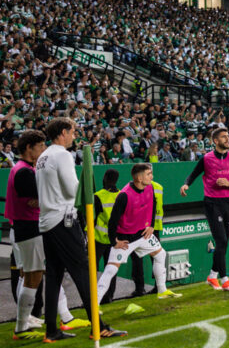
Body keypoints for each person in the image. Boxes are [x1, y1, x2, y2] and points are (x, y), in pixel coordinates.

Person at [35, 117, 125, 342]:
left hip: (47, 220)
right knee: (83, 272)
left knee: (54, 275)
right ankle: (99, 326)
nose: (75, 136)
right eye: (73, 131)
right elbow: (73, 190)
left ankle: (51, 330)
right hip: (63, 220)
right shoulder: (62, 155)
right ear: (63, 132)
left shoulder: (42, 157)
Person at [7, 130, 85, 339]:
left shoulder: (24, 169)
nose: (43, 149)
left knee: (39, 274)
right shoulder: (23, 171)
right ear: (28, 148)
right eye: (40, 146)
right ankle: (23, 325)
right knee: (36, 275)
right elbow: (37, 196)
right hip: (29, 228)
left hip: (27, 228)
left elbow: (37, 197)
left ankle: (53, 318)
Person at [95, 164, 181, 300]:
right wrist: (114, 241)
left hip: (143, 235)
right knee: (111, 269)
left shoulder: (150, 188)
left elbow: (153, 205)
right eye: (149, 174)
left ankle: (162, 290)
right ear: (140, 178)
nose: (151, 177)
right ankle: (95, 304)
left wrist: (151, 226)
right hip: (126, 240)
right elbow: (113, 221)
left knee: (160, 254)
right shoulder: (124, 195)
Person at [181, 126, 229, 291]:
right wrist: (186, 185)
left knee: (224, 243)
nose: (227, 139)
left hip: (228, 203)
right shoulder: (206, 158)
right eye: (224, 137)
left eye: (228, 136)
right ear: (215, 141)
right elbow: (193, 174)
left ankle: (212, 275)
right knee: (221, 241)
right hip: (212, 203)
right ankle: (225, 279)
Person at [92, 169, 120, 304]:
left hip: (98, 239)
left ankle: (94, 297)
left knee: (93, 269)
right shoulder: (121, 195)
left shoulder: (98, 195)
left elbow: (92, 218)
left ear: (105, 178)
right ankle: (109, 296)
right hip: (115, 238)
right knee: (111, 269)